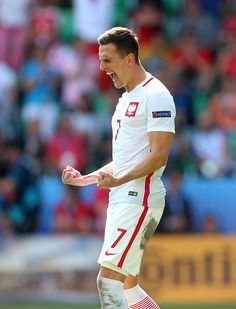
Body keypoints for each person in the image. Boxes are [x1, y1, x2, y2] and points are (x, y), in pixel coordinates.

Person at [62, 27, 176, 309]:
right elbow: (126, 158)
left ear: (129, 58)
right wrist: (85, 180)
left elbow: (159, 155)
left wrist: (120, 179)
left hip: (140, 198)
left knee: (107, 281)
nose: (101, 67)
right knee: (128, 287)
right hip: (123, 198)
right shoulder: (125, 98)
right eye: (100, 60)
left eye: (107, 60)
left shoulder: (157, 95)